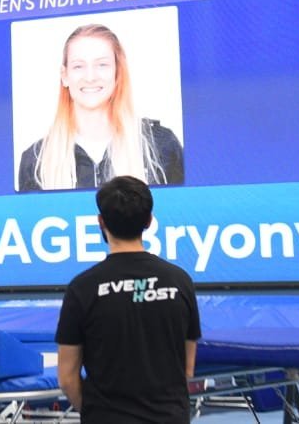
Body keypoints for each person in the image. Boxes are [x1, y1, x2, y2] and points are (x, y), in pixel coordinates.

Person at [56, 176, 200, 424]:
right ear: (149, 221)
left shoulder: (82, 289)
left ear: (101, 222)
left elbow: (67, 378)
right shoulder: (180, 281)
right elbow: (187, 369)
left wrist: (94, 414)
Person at [17, 23, 184, 192]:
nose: (90, 77)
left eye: (102, 65)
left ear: (118, 72)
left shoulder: (161, 145)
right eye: (78, 66)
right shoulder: (35, 160)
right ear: (65, 76)